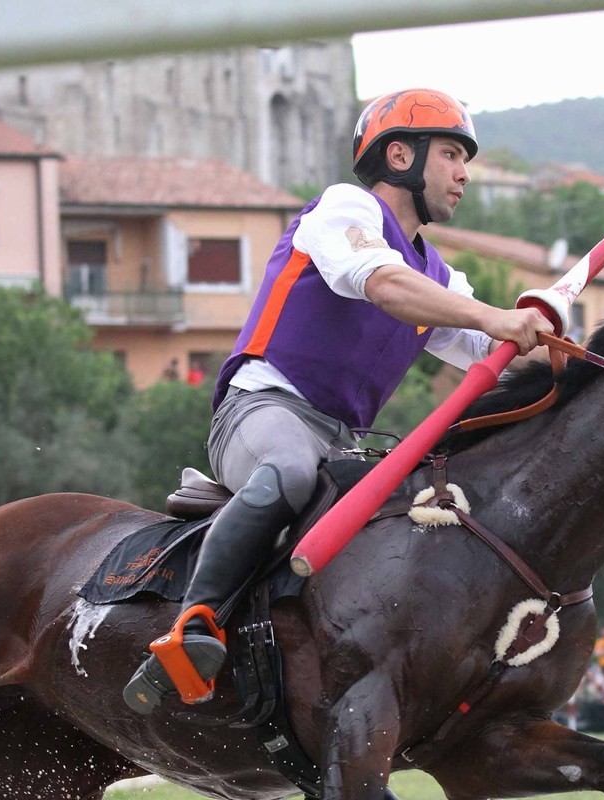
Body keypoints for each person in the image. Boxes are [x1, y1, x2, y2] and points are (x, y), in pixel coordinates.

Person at [122, 88, 557, 714]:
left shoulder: (439, 276)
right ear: (400, 155)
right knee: (291, 471)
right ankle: (193, 626)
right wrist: (498, 318)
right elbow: (382, 283)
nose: (465, 173)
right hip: (261, 409)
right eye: (452, 154)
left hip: (341, 441)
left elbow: (495, 344)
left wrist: (566, 335)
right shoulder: (344, 210)